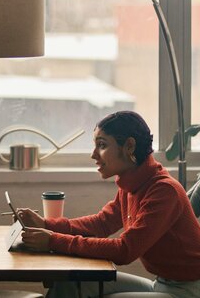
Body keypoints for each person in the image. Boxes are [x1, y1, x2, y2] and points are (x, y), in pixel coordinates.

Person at [17, 111, 200, 297]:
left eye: (102, 145)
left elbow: (125, 250)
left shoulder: (163, 191)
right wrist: (45, 224)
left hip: (188, 291)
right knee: (69, 284)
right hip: (161, 284)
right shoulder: (131, 184)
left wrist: (53, 240)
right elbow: (101, 223)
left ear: (129, 146)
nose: (93, 155)